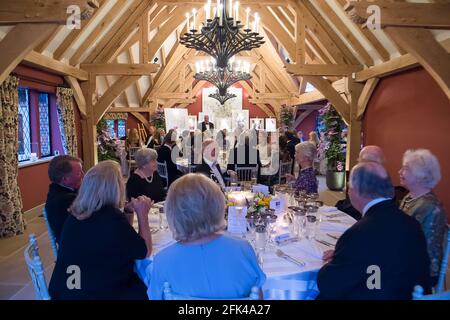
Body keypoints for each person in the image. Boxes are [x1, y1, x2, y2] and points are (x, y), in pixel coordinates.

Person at [317, 162, 431, 300]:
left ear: (357, 190)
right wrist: (345, 255)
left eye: (349, 187)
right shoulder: (412, 224)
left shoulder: (359, 233)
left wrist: (331, 264)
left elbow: (328, 285)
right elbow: (383, 257)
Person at [148, 174, 266, 299]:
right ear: (218, 206)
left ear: (172, 213)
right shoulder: (243, 249)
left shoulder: (162, 260)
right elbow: (258, 296)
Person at [48, 161, 153, 300]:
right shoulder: (110, 217)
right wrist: (143, 215)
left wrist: (128, 211)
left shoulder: (77, 213)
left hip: (69, 288)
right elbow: (144, 251)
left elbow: (122, 238)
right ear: (115, 188)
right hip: (98, 292)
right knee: (150, 285)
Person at [399, 149, 447, 287]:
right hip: (403, 261)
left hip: (420, 272)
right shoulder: (409, 197)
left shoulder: (432, 207)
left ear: (421, 176)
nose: (400, 172)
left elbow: (425, 251)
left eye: (405, 169)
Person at [45, 155, 84, 245]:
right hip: (74, 245)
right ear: (65, 179)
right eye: (78, 173)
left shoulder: (58, 190)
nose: (83, 174)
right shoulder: (65, 200)